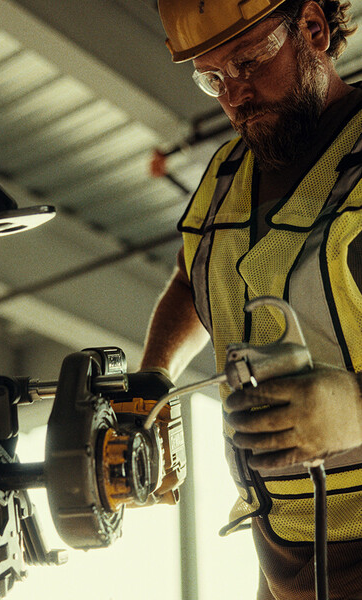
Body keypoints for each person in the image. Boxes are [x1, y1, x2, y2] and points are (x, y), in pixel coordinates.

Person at [140, 0, 362, 598]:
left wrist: (355, 409)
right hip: (282, 551)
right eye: (212, 78)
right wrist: (154, 380)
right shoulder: (225, 177)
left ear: (313, 29)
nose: (234, 96)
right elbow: (194, 281)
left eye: (248, 61)